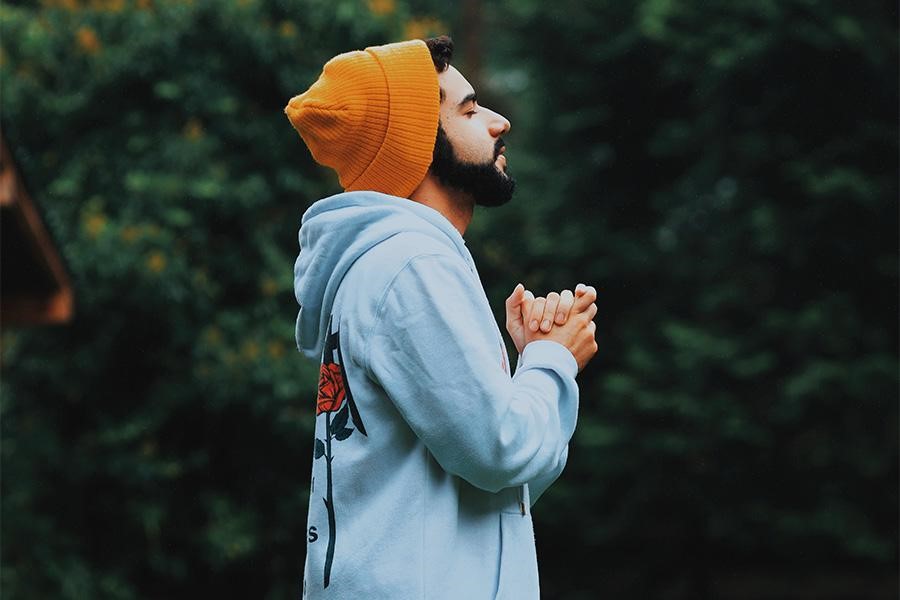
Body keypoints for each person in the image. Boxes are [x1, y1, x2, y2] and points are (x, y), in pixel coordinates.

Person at [285, 35, 598, 599]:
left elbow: (500, 488)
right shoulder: (411, 264)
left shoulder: (391, 264)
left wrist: (531, 366)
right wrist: (554, 360)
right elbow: (499, 450)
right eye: (470, 110)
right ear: (418, 146)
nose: (499, 122)